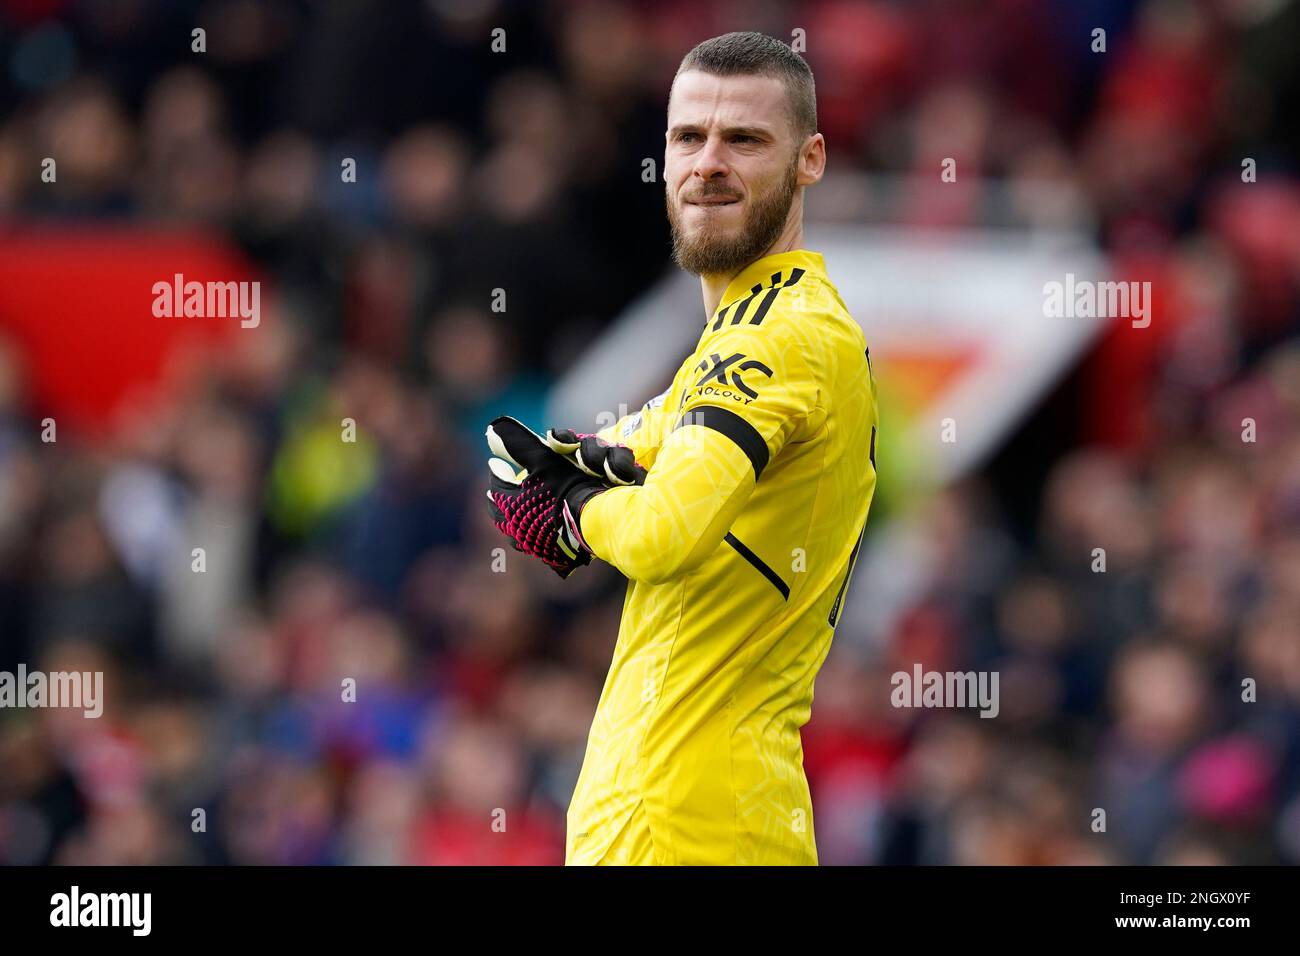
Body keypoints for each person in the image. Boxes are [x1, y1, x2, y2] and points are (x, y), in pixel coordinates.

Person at [486, 31, 878, 865]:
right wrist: (562, 472)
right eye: (687, 137)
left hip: (695, 823)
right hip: (678, 812)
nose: (708, 163)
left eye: (744, 139)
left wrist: (576, 510)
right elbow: (614, 447)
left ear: (809, 160)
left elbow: (664, 530)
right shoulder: (740, 336)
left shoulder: (779, 337)